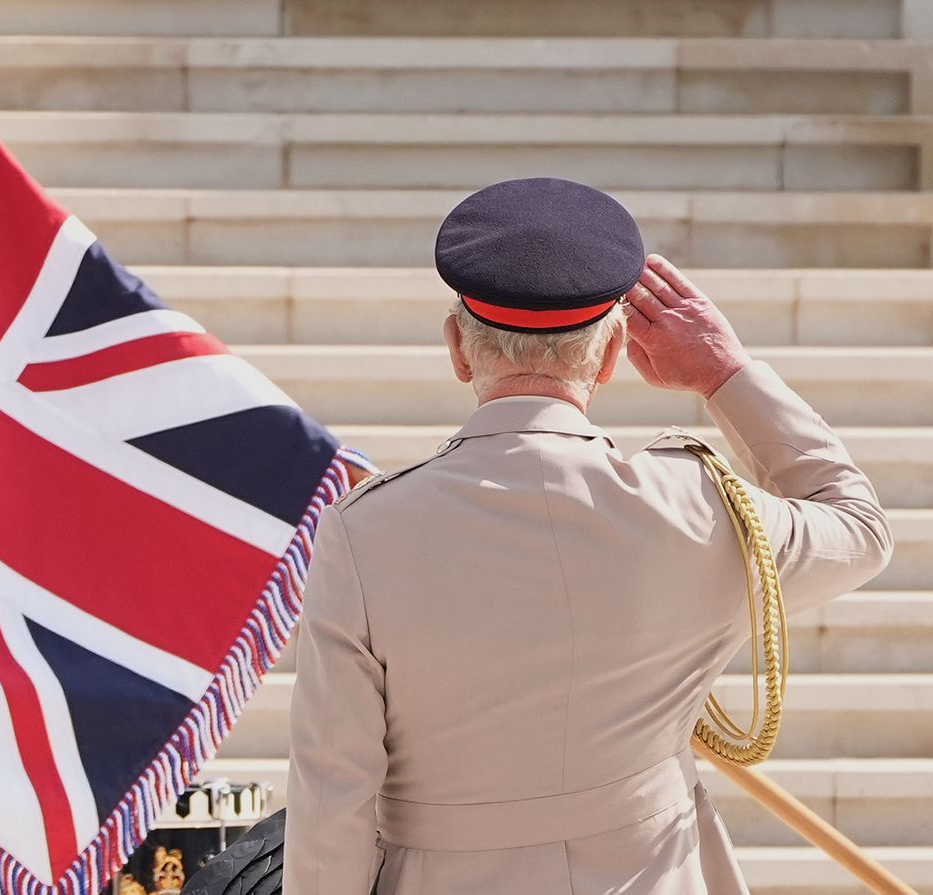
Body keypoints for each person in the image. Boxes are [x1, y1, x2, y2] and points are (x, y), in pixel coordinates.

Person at [283, 178, 892, 893]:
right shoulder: (697, 508)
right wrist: (725, 374)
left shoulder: (368, 532)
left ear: (457, 346)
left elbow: (332, 798)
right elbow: (858, 525)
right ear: (612, 356)